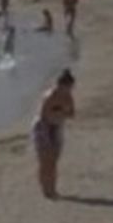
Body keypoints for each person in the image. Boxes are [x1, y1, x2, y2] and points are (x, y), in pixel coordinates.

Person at [31, 70, 76, 199]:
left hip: (57, 127)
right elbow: (44, 115)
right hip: (43, 127)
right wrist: (60, 113)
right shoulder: (49, 96)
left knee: (54, 161)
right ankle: (46, 189)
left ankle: (53, 188)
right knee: (45, 160)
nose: (68, 90)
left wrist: (61, 113)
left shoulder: (68, 97)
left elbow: (72, 114)